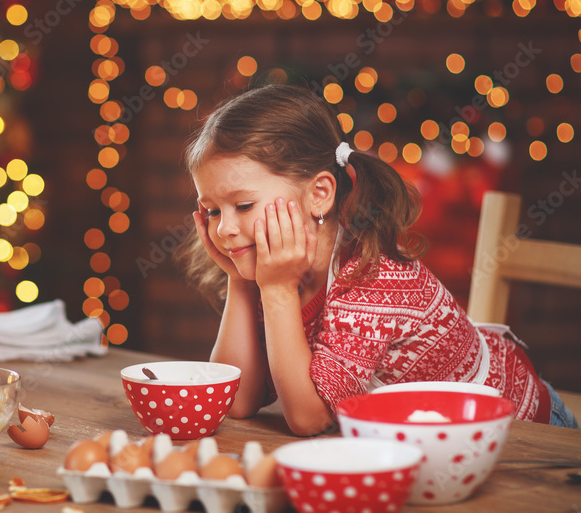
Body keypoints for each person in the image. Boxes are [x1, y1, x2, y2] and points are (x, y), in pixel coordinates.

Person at [178, 83, 579, 437]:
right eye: (211, 211)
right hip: (426, 442)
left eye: (243, 205)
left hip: (524, 436)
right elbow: (237, 400)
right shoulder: (280, 272)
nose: (224, 228)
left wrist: (277, 291)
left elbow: (309, 418)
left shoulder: (373, 278)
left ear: (320, 194)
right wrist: (243, 281)